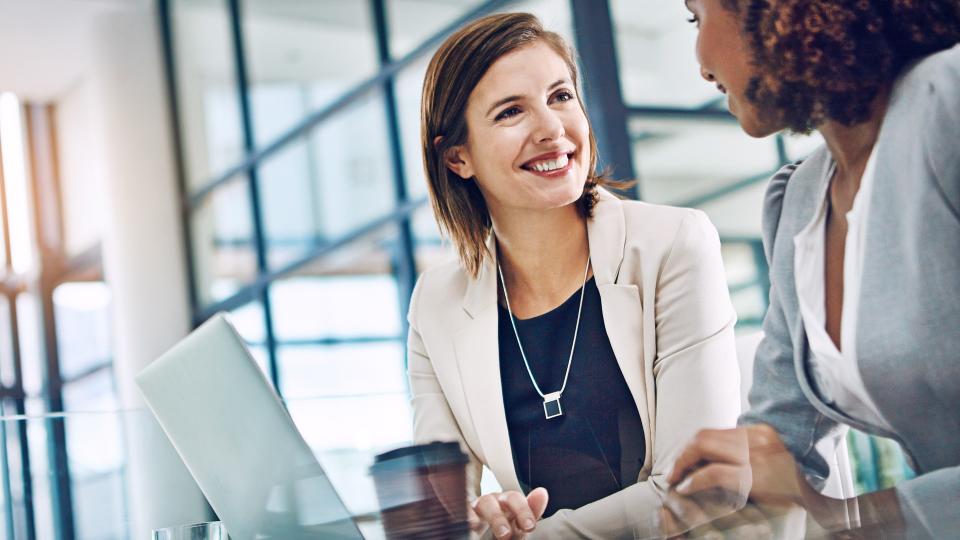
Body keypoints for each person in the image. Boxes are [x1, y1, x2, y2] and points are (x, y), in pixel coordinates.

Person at [407, 12, 741, 540]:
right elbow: (437, 513)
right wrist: (481, 522)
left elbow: (704, 488)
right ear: (458, 158)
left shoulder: (673, 243)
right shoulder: (436, 305)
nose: (551, 129)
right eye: (511, 111)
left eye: (561, 96)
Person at [663, 0, 960, 537]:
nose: (701, 64)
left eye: (696, 18)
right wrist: (726, 498)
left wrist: (845, 519)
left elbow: (827, 514)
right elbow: (779, 443)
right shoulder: (801, 199)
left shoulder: (949, 101)